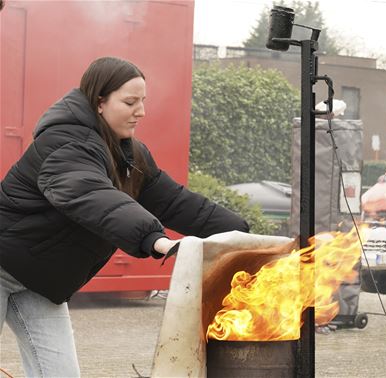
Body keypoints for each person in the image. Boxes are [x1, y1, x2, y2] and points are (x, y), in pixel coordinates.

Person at [0, 56, 249, 376]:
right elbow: (92, 196)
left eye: (143, 101)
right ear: (99, 102)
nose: (141, 111)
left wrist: (241, 232)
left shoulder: (129, 154)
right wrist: (154, 239)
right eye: (130, 102)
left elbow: (174, 202)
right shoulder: (63, 144)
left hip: (41, 281)